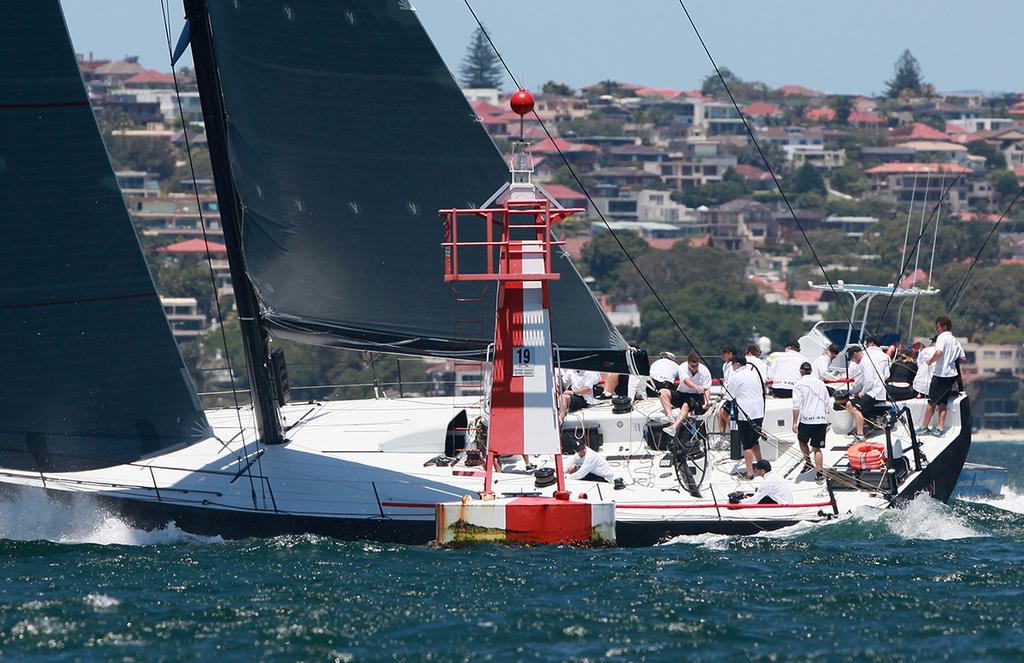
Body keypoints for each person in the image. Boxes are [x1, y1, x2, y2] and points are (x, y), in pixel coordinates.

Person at [919, 316, 965, 435]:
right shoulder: (955, 340)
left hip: (941, 374)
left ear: (944, 327)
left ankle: (924, 427)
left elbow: (938, 353)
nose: (936, 329)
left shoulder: (942, 337)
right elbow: (963, 358)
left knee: (931, 402)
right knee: (943, 402)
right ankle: (940, 428)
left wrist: (930, 361)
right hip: (951, 375)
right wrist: (951, 359)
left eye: (937, 327)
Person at [728, 355, 765, 479]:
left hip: (745, 414)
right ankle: (762, 467)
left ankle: (749, 473)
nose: (732, 367)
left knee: (747, 444)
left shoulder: (735, 376)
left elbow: (729, 396)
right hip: (759, 412)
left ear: (737, 364)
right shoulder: (754, 374)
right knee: (755, 440)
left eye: (732, 364)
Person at [792, 361, 830, 481]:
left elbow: (796, 405)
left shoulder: (798, 384)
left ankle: (808, 463)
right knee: (817, 448)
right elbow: (827, 401)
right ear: (811, 371)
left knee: (802, 440)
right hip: (821, 419)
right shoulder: (820, 383)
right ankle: (819, 474)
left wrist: (794, 422)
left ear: (801, 371)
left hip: (807, 420)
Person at [844, 346, 888, 442]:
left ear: (855, 354)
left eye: (852, 358)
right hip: (870, 390)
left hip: (875, 392)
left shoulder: (865, 362)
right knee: (848, 405)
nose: (853, 361)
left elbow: (869, 382)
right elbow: (862, 382)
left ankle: (860, 435)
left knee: (856, 409)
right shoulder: (865, 361)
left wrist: (862, 393)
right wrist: (850, 392)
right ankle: (866, 424)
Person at [664, 353, 712, 438]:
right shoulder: (682, 367)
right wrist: (696, 387)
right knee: (663, 392)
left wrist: (706, 402)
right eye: (692, 366)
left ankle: (674, 427)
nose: (695, 368)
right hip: (682, 393)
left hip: (696, 396)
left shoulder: (704, 371)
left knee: (686, 405)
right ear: (688, 363)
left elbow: (707, 388)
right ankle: (669, 416)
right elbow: (686, 381)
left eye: (696, 366)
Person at [648, 351, 680, 421]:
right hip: (665, 386)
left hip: (651, 387)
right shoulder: (675, 365)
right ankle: (669, 414)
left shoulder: (654, 363)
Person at [717, 344, 737, 435]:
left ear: (730, 354)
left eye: (724, 352)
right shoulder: (725, 365)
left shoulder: (734, 365)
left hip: (733, 395)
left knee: (724, 412)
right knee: (719, 412)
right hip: (726, 394)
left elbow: (732, 382)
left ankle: (735, 434)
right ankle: (722, 436)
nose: (722, 354)